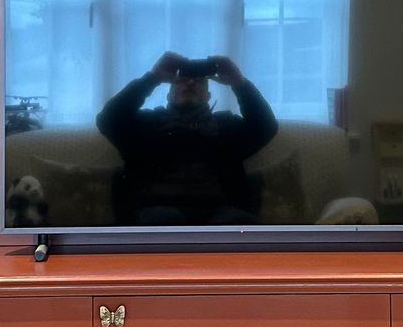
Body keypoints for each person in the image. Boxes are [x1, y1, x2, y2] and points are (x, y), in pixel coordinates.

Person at [96, 51, 279, 226]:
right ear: (168, 95)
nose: (190, 82)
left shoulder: (226, 126)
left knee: (238, 224)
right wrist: (152, 78)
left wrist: (239, 83)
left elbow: (265, 127)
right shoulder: (147, 124)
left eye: (199, 81)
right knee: (163, 220)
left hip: (221, 213)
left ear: (208, 96)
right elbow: (108, 120)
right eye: (182, 79)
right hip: (155, 212)